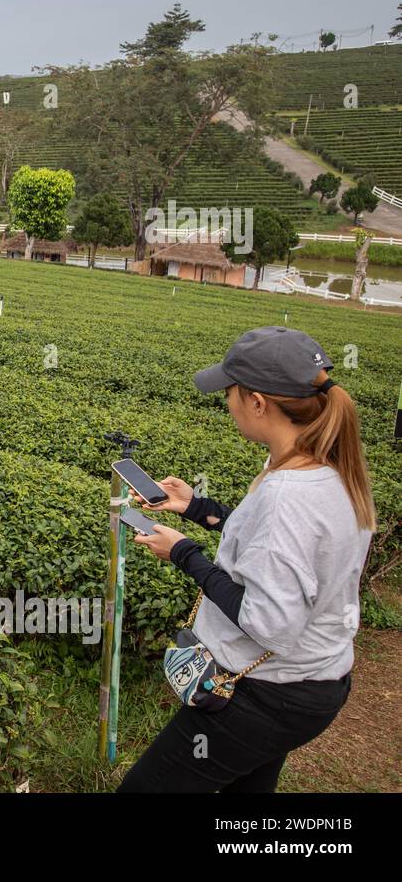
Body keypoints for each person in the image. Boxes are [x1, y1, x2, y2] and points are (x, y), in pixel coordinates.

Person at [118, 326, 376, 793]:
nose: (227, 402)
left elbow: (269, 621)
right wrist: (197, 507)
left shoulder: (287, 495)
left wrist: (182, 552)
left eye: (231, 392)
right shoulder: (326, 465)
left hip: (265, 695)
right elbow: (277, 548)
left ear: (257, 402)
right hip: (311, 681)